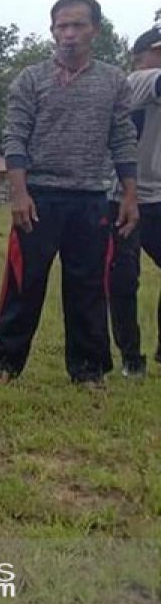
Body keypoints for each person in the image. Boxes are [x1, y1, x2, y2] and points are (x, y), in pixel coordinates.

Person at [0, 0, 138, 388]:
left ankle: (88, 371)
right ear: (52, 30)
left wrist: (130, 195)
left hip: (91, 198)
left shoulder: (112, 80)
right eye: (61, 26)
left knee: (88, 286)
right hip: (38, 196)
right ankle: (5, 363)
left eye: (78, 25)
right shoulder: (30, 79)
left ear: (95, 30)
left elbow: (122, 138)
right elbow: (14, 137)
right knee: (24, 282)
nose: (69, 34)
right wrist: (19, 194)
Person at [107, 19, 161, 378]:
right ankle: (130, 357)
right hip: (121, 196)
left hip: (158, 197)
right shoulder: (136, 82)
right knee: (123, 278)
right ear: (143, 56)